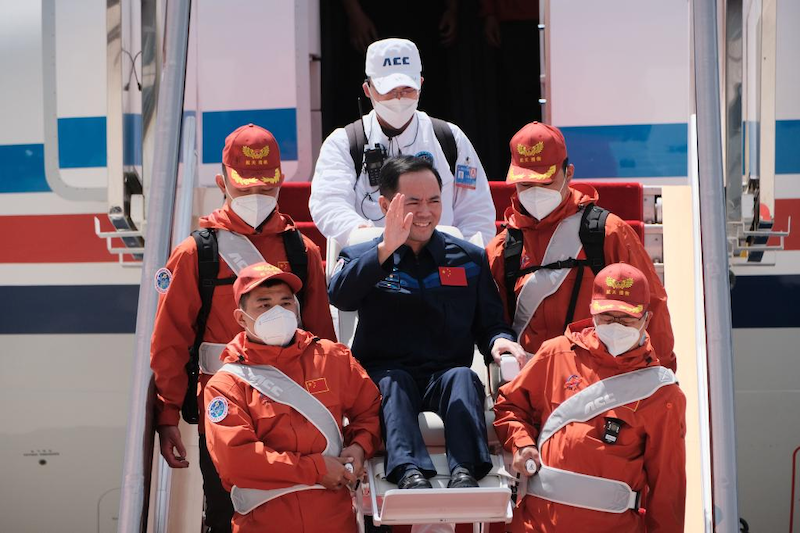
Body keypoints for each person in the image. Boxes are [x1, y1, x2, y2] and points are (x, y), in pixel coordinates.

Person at [150, 124, 336, 532]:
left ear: (280, 183)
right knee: (227, 513)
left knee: (299, 510)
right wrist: (166, 416)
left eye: (265, 189)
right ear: (222, 182)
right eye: (246, 188)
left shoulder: (303, 251)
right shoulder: (194, 253)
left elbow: (323, 340)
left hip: (295, 407)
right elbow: (170, 341)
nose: (257, 198)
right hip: (225, 409)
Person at [328, 155, 526, 490]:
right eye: (413, 202)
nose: (425, 212)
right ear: (385, 204)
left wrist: (499, 341)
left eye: (434, 201)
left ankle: (466, 470)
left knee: (464, 378)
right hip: (385, 374)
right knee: (393, 383)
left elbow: (490, 324)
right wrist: (386, 249)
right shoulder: (361, 253)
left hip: (445, 374)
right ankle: (408, 470)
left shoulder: (468, 258)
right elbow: (340, 296)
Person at [493, 262, 686, 532]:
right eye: (607, 317)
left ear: (647, 319)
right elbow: (510, 405)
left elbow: (668, 489)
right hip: (536, 525)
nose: (616, 326)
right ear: (592, 312)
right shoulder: (556, 353)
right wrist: (521, 443)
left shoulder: (663, 394)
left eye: (626, 318)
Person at [203, 262, 381, 533]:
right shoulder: (226, 384)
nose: (278, 312)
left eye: (286, 303)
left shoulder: (333, 357)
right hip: (265, 523)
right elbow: (236, 460)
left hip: (336, 520)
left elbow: (370, 410)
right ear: (241, 318)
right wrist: (315, 469)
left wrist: (359, 447)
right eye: (264, 305)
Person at [485, 121, 676, 371]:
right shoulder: (502, 248)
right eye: (526, 185)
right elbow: (492, 325)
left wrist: (662, 375)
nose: (535, 192)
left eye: (545, 183)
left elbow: (651, 304)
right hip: (531, 388)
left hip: (598, 385)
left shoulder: (608, 233)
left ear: (569, 173)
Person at [310, 38, 497, 248]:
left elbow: (477, 212)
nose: (399, 98)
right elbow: (328, 203)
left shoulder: (450, 138)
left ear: (421, 85)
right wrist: (370, 241)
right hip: (371, 259)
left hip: (441, 261)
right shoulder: (344, 142)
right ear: (367, 89)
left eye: (407, 89)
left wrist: (463, 257)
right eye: (389, 90)